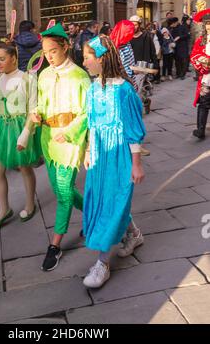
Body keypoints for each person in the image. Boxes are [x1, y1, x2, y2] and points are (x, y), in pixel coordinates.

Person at [82, 35, 145, 288]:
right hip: (98, 153)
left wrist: (137, 163)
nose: (84, 62)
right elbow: (91, 123)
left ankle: (102, 263)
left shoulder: (124, 90)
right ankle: (134, 234)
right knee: (104, 200)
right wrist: (88, 149)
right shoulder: (93, 88)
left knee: (113, 202)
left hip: (119, 154)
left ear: (102, 58)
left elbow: (133, 128)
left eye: (87, 57)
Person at [31, 23, 91, 271]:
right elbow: (41, 104)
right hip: (48, 139)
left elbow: (88, 112)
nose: (48, 57)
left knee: (64, 192)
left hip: (70, 142)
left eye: (53, 51)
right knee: (58, 190)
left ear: (66, 46)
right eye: (45, 53)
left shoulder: (80, 76)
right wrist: (35, 113)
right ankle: (94, 213)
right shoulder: (44, 75)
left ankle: (55, 245)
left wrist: (70, 132)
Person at [0, 41, 41, 228]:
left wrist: (26, 133)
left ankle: (30, 204)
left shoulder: (28, 79)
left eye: (2, 59)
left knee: (24, 167)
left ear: (13, 58)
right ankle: (3, 209)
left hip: (21, 126)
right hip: (0, 127)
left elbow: (33, 108)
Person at [190, 9, 210, 139]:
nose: (209, 26)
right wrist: (201, 61)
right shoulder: (201, 40)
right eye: (207, 23)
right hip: (207, 77)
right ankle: (200, 130)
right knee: (204, 103)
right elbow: (193, 55)